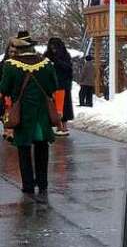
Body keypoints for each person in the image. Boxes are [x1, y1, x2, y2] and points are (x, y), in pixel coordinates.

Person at [0, 32, 58, 200]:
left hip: (22, 115)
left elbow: (4, 88)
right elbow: (53, 86)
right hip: (42, 115)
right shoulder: (46, 64)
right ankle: (43, 182)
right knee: (42, 148)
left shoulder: (11, 65)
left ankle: (28, 186)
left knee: (24, 150)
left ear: (18, 48)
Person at [45, 37, 74, 135]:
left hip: (63, 84)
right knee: (52, 106)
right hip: (50, 85)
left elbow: (68, 68)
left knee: (64, 106)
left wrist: (57, 61)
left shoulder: (65, 55)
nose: (53, 49)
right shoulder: (46, 56)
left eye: (55, 47)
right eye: (51, 47)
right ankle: (57, 125)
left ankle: (63, 125)